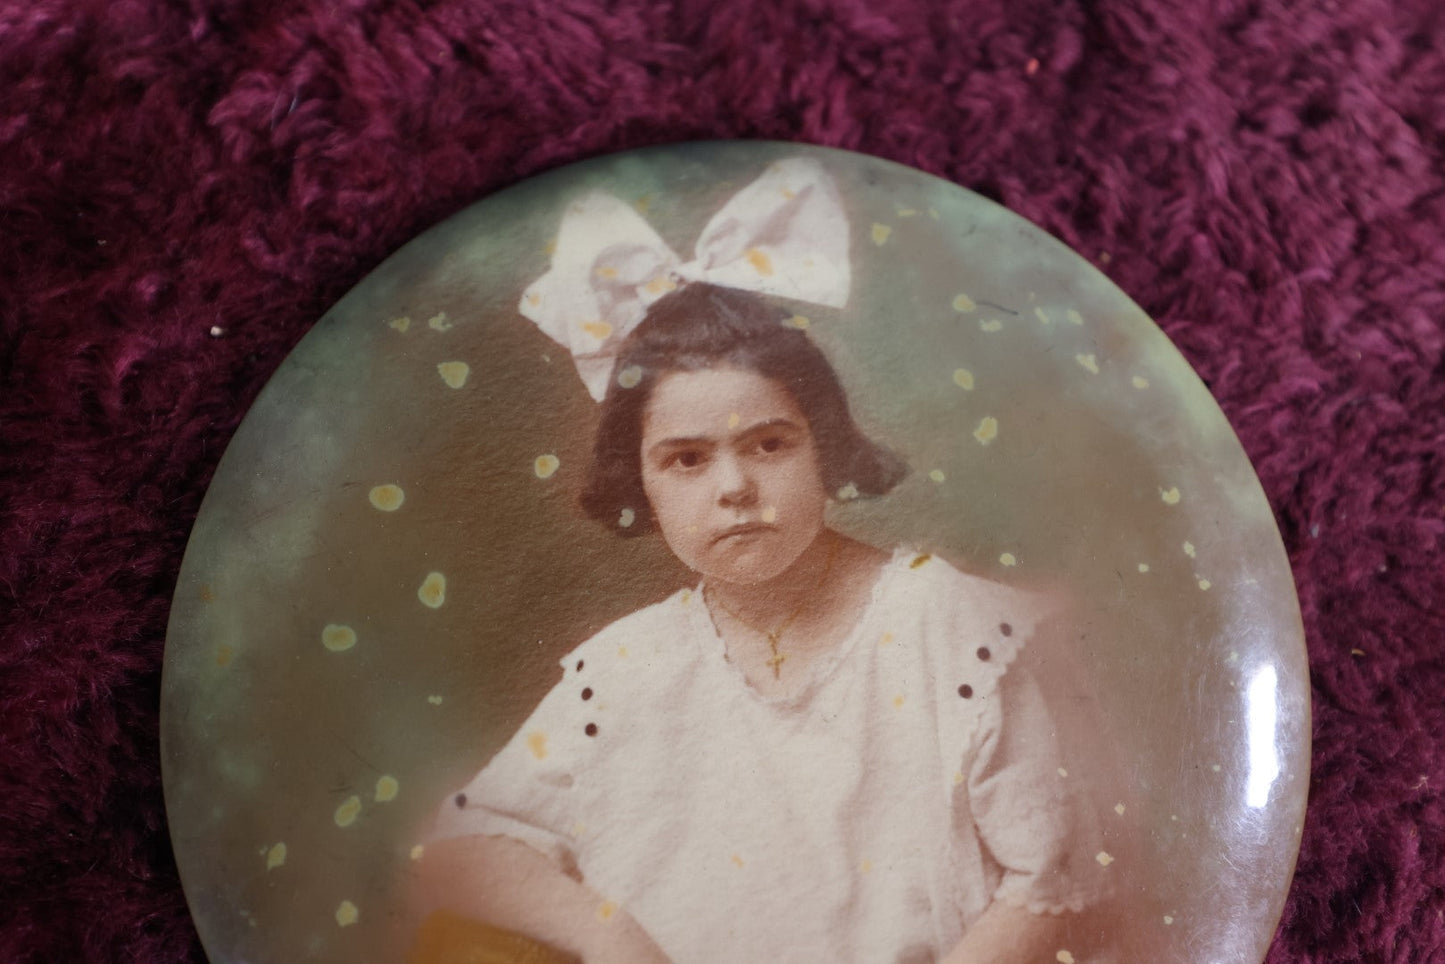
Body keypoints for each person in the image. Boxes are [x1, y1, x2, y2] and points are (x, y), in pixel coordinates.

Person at [413, 161, 1112, 964]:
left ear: (825, 447)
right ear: (637, 481)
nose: (735, 488)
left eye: (768, 445)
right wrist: (609, 936)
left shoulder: (941, 626)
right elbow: (460, 847)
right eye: (685, 460)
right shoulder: (628, 669)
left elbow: (1049, 882)